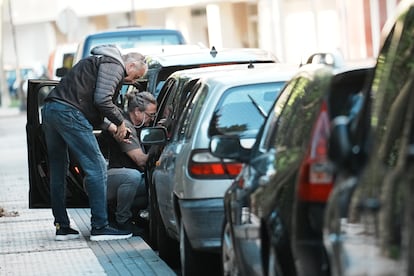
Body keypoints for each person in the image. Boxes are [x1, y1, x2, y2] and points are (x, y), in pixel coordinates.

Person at [41, 44, 147, 241]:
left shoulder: (97, 62)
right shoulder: (115, 64)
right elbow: (102, 100)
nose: (134, 80)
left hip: (51, 110)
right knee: (97, 167)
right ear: (130, 65)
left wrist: (111, 126)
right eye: (136, 76)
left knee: (58, 169)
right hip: (69, 113)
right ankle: (100, 226)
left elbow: (91, 107)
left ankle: (62, 226)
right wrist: (120, 122)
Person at [105, 91, 157, 236]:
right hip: (115, 179)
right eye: (150, 115)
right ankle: (122, 220)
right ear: (137, 112)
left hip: (118, 179)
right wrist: (158, 142)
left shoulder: (136, 125)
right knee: (137, 177)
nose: (151, 119)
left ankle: (133, 215)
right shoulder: (126, 127)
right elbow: (140, 161)